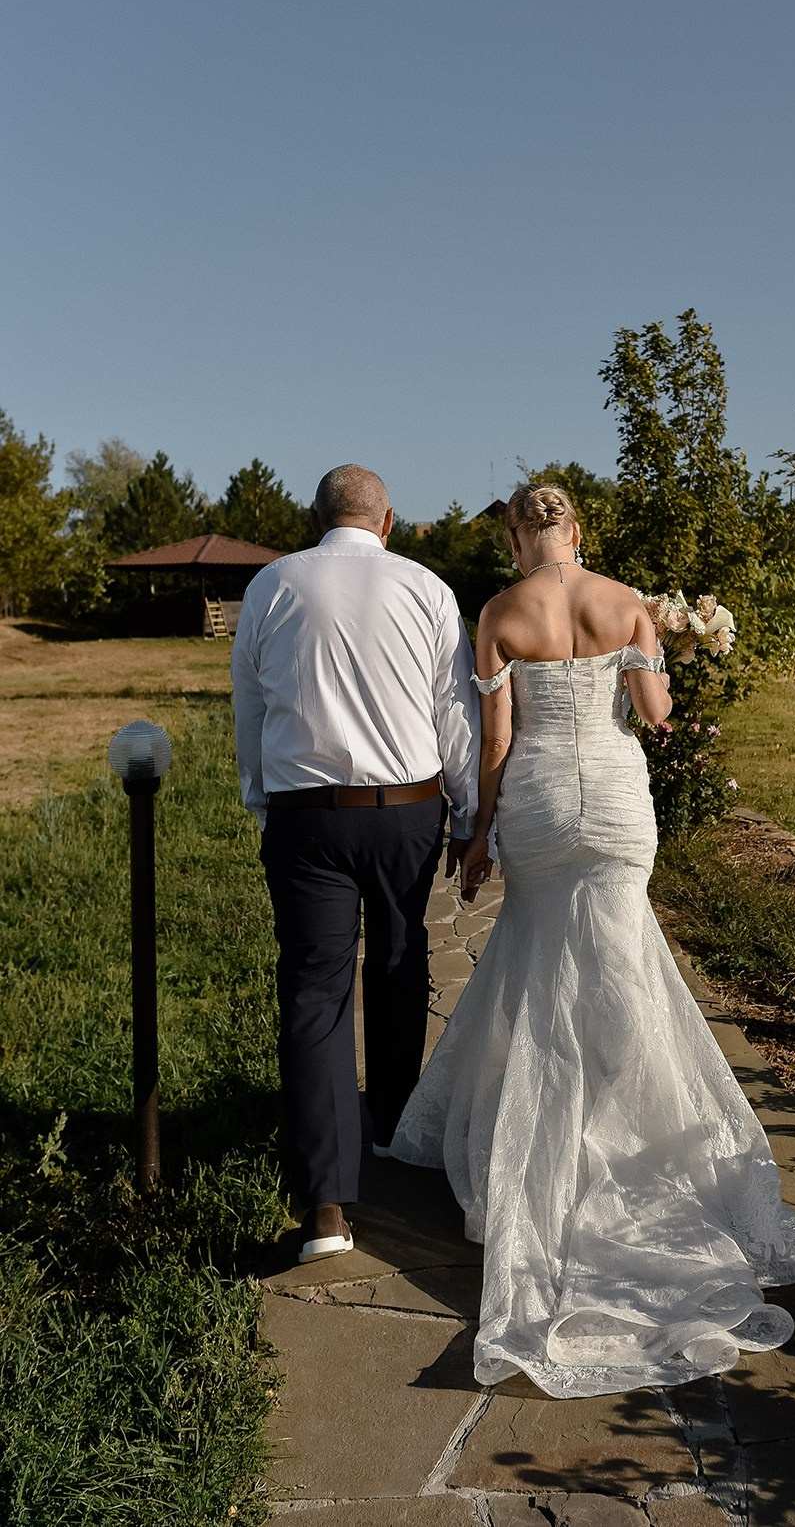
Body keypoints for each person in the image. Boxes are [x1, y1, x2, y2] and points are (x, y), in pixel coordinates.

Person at [388, 484, 795, 1396]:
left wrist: (477, 834)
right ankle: (630, 1140)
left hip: (541, 798)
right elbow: (655, 713)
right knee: (622, 969)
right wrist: (670, 646)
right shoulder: (628, 603)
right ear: (577, 531)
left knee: (537, 966)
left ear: (516, 537)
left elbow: (496, 739)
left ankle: (547, 1142)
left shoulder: (499, 613)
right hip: (619, 800)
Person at [231, 464, 479, 1264]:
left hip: (306, 814)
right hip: (408, 808)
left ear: (314, 519)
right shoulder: (426, 588)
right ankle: (392, 1126)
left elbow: (251, 704)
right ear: (389, 520)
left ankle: (326, 1207)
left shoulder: (272, 585)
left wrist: (261, 798)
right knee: (402, 960)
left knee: (314, 992)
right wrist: (469, 812)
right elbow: (453, 710)